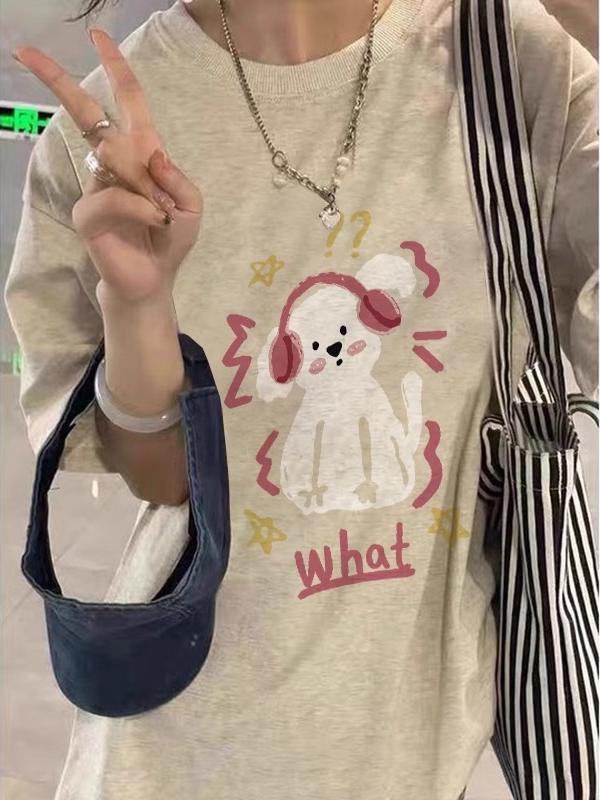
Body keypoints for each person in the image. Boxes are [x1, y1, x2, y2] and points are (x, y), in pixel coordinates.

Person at [4, 0, 598, 798]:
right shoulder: (112, 123)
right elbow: (162, 481)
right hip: (177, 750)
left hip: (409, 753)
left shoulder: (521, 69)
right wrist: (137, 304)